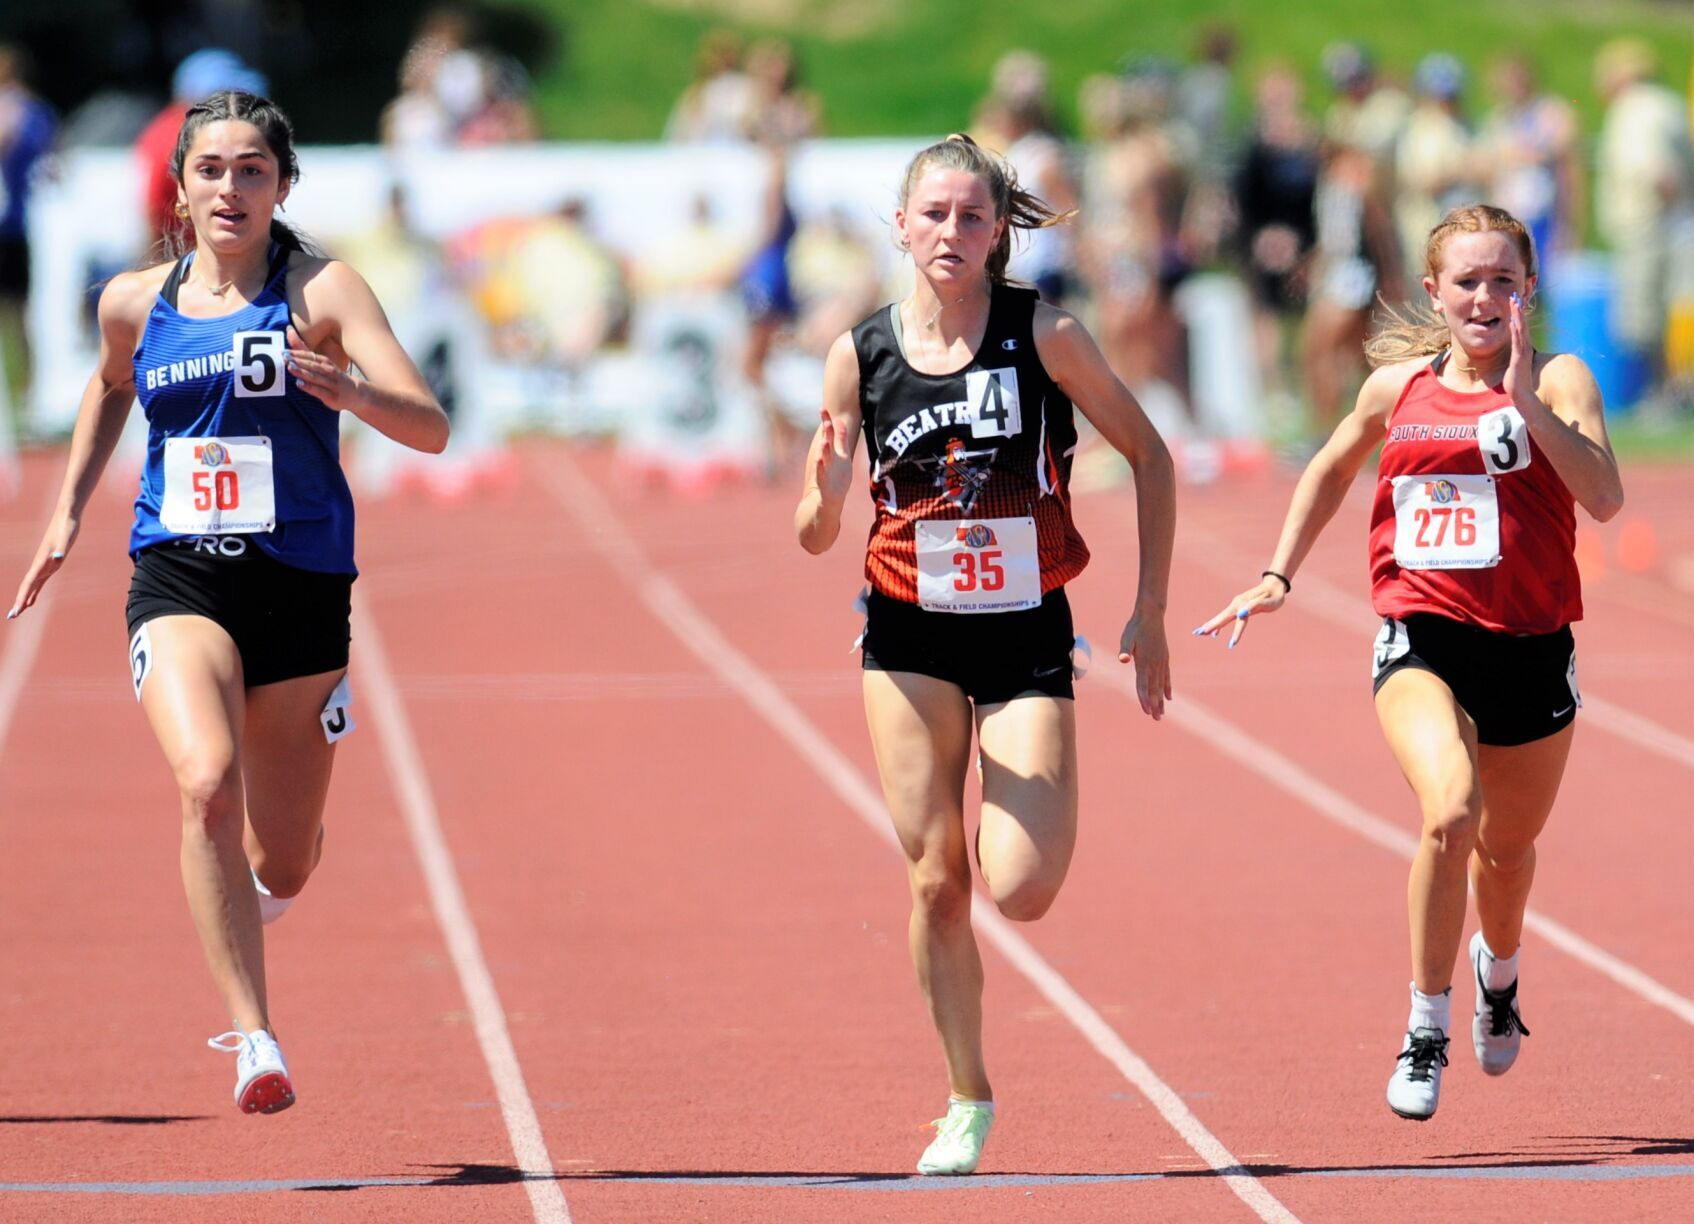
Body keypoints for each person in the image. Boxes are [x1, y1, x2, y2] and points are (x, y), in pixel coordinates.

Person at [7, 91, 449, 1114]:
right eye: (212, 170)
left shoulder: (322, 291)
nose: (231, 189)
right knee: (205, 779)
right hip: (180, 574)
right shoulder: (135, 301)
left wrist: (349, 393)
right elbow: (111, 385)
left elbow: (427, 425)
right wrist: (67, 513)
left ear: (282, 186)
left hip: (300, 590)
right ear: (181, 186)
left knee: (282, 857)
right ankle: (254, 1037)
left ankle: (266, 888)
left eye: (253, 170)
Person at [794, 134, 1175, 1173]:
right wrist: (823, 491)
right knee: (933, 880)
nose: (950, 233)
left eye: (971, 216)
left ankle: (1027, 811)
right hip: (906, 635)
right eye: (933, 215)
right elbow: (814, 531)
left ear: (999, 229)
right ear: (899, 226)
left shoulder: (1043, 335)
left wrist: (1146, 609)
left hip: (1023, 635)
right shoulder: (857, 354)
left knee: (1020, 887)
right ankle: (965, 1096)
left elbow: (1149, 454)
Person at [1197, 204, 1623, 1121]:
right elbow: (1330, 468)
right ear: (1434, 291)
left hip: (1534, 649)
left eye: (1503, 281)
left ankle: (1496, 974)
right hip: (1422, 637)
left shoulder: (1559, 377)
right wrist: (1278, 573)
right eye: (1467, 281)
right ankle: (1425, 1024)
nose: (1485, 297)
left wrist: (1522, 403)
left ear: (1528, 290)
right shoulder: (1397, 389)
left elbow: (1606, 496)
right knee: (1450, 813)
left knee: (1506, 857)